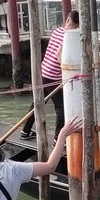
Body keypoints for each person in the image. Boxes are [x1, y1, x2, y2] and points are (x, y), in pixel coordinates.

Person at [20, 11, 78, 140]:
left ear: (67, 20)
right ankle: (58, 138)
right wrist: (67, 71)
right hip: (53, 76)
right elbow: (59, 54)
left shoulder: (57, 31)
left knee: (38, 103)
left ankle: (25, 131)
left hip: (44, 72)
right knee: (61, 109)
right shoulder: (68, 36)